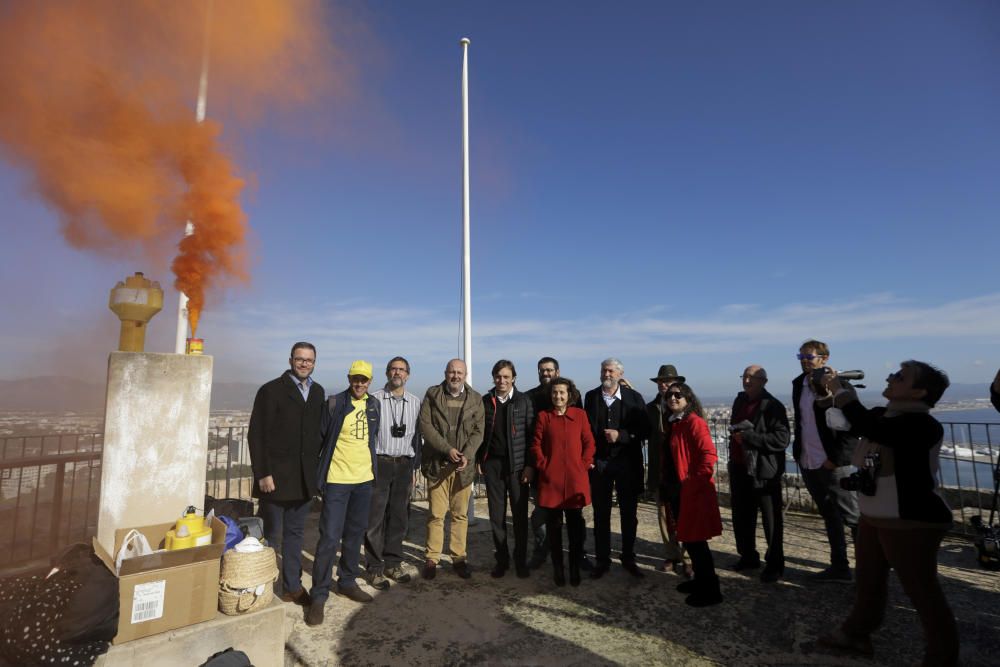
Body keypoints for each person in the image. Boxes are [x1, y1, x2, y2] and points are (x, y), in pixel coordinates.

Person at [816, 361, 958, 666]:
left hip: (910, 521)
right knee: (868, 581)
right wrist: (830, 391)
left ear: (919, 392)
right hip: (875, 516)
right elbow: (853, 422)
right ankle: (855, 633)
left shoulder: (922, 426)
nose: (890, 378)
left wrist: (840, 388)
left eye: (900, 377)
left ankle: (942, 658)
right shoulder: (884, 415)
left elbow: (872, 428)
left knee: (922, 591)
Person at [248, 342, 325, 607]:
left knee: (295, 535)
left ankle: (292, 586)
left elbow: (316, 435)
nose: (304, 364)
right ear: (291, 360)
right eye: (300, 359)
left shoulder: (317, 392)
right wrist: (263, 473)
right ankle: (263, 587)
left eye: (309, 360)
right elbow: (257, 434)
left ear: (314, 363)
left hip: (304, 481)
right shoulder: (271, 390)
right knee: (271, 535)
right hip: (276, 479)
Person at [307, 361, 381, 626]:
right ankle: (319, 595)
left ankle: (347, 582)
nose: (359, 384)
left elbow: (371, 439)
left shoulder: (374, 405)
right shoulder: (335, 403)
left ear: (370, 382)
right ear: (349, 379)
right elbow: (320, 439)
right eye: (355, 379)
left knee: (354, 535)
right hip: (337, 481)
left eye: (364, 380)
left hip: (363, 481)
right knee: (329, 538)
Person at [792, 339, 859, 582]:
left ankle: (871, 569)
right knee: (829, 516)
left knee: (854, 518)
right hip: (809, 460)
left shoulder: (839, 384)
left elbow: (853, 427)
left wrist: (836, 459)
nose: (804, 362)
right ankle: (839, 567)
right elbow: (802, 423)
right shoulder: (799, 385)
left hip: (834, 464)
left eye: (809, 357)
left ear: (824, 358)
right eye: (801, 357)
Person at [418, 358, 485, 580]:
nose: (455, 376)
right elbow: (426, 427)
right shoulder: (432, 394)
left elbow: (478, 431)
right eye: (452, 372)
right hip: (438, 465)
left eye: (459, 372)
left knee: (460, 515)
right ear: (445, 373)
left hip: (462, 469)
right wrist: (448, 450)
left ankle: (458, 558)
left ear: (465, 375)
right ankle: (432, 558)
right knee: (436, 515)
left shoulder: (476, 399)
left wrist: (466, 454)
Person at [584, 358, 648, 579]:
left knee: (628, 514)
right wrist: (589, 458)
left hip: (627, 464)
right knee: (601, 514)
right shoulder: (591, 397)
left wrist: (621, 436)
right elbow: (587, 431)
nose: (606, 374)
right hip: (600, 464)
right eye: (603, 370)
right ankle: (602, 560)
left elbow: (644, 430)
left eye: (610, 370)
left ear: (620, 374)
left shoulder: (634, 398)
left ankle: (628, 558)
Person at [531, 377, 595, 586]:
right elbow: (536, 445)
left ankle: (574, 567)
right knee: (554, 530)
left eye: (562, 392)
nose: (558, 396)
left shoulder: (580, 415)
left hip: (575, 481)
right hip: (551, 482)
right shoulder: (543, 417)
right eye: (555, 392)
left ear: (569, 395)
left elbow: (589, 443)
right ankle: (558, 568)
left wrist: (583, 465)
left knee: (576, 530)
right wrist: (543, 465)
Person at [728, 365, 790, 583]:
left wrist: (749, 437)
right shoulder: (739, 401)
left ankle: (774, 565)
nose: (747, 381)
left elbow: (782, 440)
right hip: (739, 467)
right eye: (744, 376)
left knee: (770, 520)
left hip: (763, 471)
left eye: (752, 377)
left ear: (763, 381)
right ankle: (748, 557)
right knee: (742, 516)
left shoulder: (773, 406)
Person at [364, 357, 421, 590]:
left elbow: (418, 438)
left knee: (399, 518)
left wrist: (415, 467)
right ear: (387, 373)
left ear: (408, 374)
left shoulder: (416, 402)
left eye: (402, 369)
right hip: (380, 463)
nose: (397, 373)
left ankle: (393, 564)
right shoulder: (374, 399)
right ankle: (375, 568)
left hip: (405, 464)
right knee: (375, 518)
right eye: (393, 369)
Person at [664, 382, 724, 607]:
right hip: (681, 489)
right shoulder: (677, 423)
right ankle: (701, 581)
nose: (672, 398)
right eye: (669, 395)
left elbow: (708, 455)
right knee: (689, 538)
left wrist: (693, 482)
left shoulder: (693, 422)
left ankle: (711, 590)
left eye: (678, 395)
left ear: (688, 398)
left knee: (697, 542)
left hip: (693, 491)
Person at [525, 356, 585, 570]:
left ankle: (579, 555)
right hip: (544, 470)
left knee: (574, 517)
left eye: (549, 370)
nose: (546, 374)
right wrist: (536, 464)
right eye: (542, 370)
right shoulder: (530, 397)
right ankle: (541, 552)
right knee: (540, 516)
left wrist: (583, 464)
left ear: (557, 372)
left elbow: (583, 436)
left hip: (570, 472)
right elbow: (531, 436)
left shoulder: (574, 398)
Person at [480, 360, 535, 578]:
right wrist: (479, 458)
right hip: (493, 465)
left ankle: (520, 561)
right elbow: (480, 432)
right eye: (498, 376)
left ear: (513, 378)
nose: (501, 380)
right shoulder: (486, 401)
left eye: (506, 376)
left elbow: (531, 436)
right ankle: (502, 560)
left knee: (520, 516)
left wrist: (530, 465)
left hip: (518, 466)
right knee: (496, 515)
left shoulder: (524, 401)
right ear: (493, 377)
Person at [645, 364, 691, 577]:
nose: (664, 385)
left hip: (681, 471)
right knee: (664, 516)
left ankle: (689, 558)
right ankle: (671, 554)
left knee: (685, 515)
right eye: (661, 381)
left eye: (668, 381)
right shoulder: (651, 407)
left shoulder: (685, 406)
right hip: (659, 470)